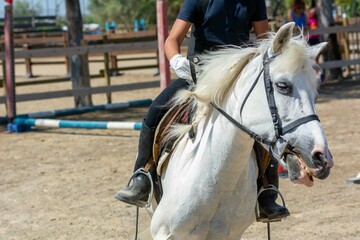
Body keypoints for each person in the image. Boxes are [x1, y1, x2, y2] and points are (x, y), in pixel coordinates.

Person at [115, 0, 290, 220]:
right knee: (155, 110)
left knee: (262, 122)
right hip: (200, 72)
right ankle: (142, 175)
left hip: (238, 76)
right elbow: (172, 39)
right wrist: (176, 60)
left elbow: (265, 41)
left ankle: (267, 190)